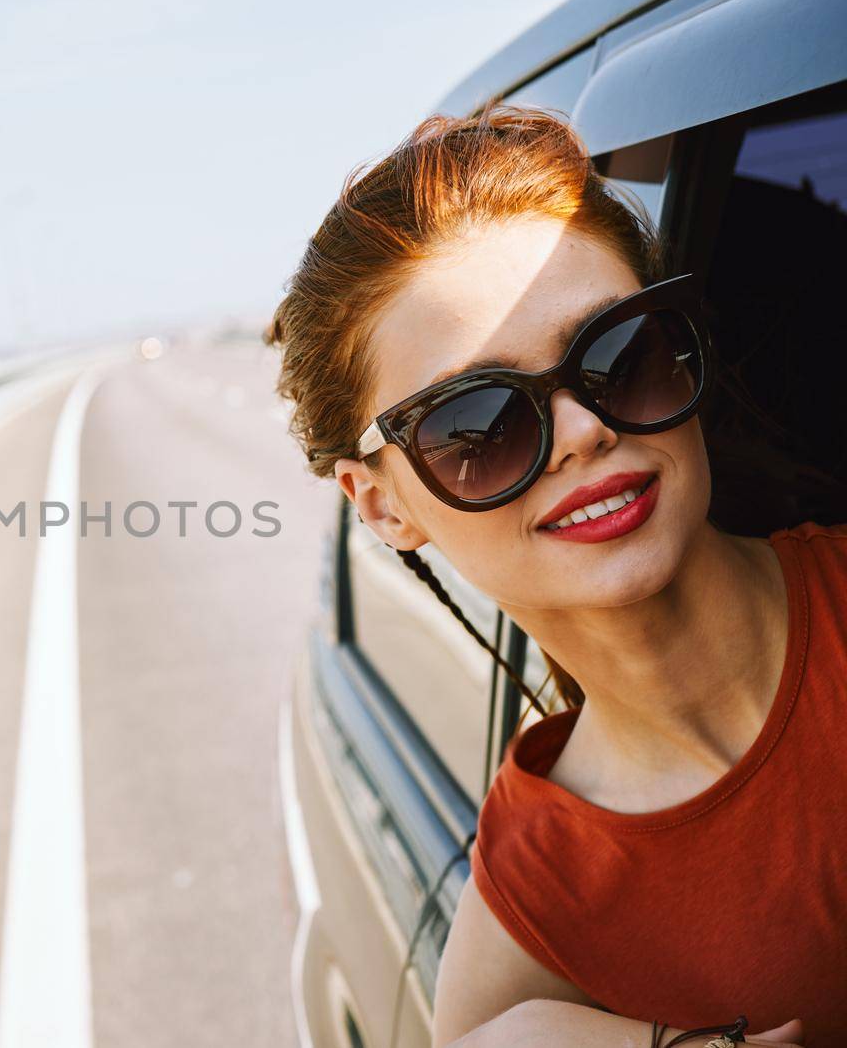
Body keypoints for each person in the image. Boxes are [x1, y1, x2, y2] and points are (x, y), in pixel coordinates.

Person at [264, 105, 847, 1046]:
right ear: (381, 505)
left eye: (624, 354)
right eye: (477, 425)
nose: (585, 430)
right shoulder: (528, 933)